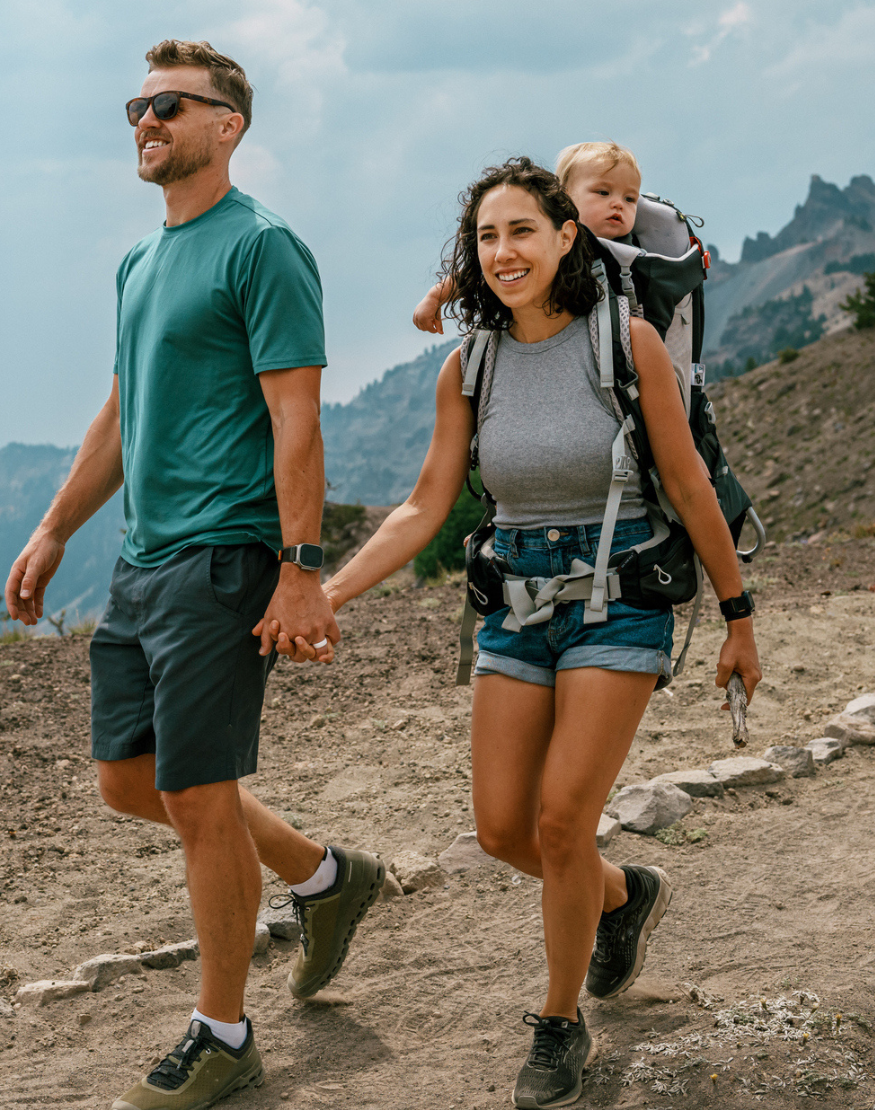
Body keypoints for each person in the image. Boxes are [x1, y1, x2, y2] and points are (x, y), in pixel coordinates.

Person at [283, 157, 761, 1107]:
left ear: (566, 237)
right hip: (514, 603)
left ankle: (556, 1024)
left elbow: (692, 485)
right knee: (504, 831)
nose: (505, 252)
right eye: (488, 238)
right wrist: (326, 591)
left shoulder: (627, 345)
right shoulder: (473, 364)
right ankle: (625, 898)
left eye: (522, 232)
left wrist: (738, 616)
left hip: (620, 596)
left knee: (558, 823)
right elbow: (425, 508)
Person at [3, 38, 384, 1110]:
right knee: (131, 781)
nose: (145, 120)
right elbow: (125, 411)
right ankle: (324, 877)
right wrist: (53, 529)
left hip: (226, 557)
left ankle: (224, 1037)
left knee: (195, 792)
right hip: (142, 557)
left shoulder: (262, 248)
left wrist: (301, 568)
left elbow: (294, 418)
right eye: (136, 105)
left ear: (230, 124)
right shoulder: (140, 260)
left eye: (169, 105)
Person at [412, 140, 641, 334]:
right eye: (602, 192)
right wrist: (435, 297)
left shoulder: (638, 256)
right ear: (566, 197)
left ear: (566, 237)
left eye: (630, 199)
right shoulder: (552, 242)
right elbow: (470, 276)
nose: (617, 204)